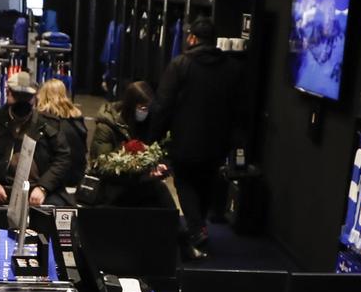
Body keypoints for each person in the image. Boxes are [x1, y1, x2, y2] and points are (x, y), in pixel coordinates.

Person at [150, 16, 243, 257]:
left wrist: (153, 136)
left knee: (184, 181)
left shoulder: (180, 65)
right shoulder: (232, 68)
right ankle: (199, 224)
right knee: (206, 182)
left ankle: (195, 227)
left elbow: (163, 104)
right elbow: (239, 107)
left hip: (186, 139)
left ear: (192, 38)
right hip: (218, 142)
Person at [0, 77, 87, 209]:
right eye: (18, 95)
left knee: (61, 211)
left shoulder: (48, 123)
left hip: (38, 189)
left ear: (34, 97)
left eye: (26, 96)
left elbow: (63, 158)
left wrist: (43, 187)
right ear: (8, 93)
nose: (22, 101)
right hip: (1, 189)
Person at [86, 80, 177, 214]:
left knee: (160, 191)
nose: (145, 112)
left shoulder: (146, 124)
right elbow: (102, 166)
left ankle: (175, 229)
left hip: (138, 182)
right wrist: (139, 170)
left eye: (148, 108)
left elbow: (157, 150)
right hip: (112, 186)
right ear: (131, 105)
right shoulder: (106, 127)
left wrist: (159, 166)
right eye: (142, 108)